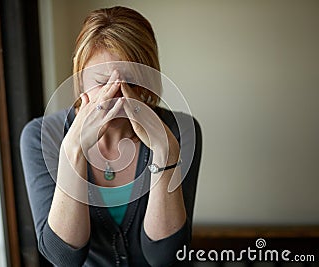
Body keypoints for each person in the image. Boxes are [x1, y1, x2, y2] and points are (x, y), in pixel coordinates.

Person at [21, 6, 201, 267]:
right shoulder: (40, 136)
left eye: (131, 82)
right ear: (80, 80)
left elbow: (166, 256)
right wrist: (74, 148)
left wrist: (165, 152)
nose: (117, 96)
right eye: (103, 82)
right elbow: (63, 256)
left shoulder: (180, 129)